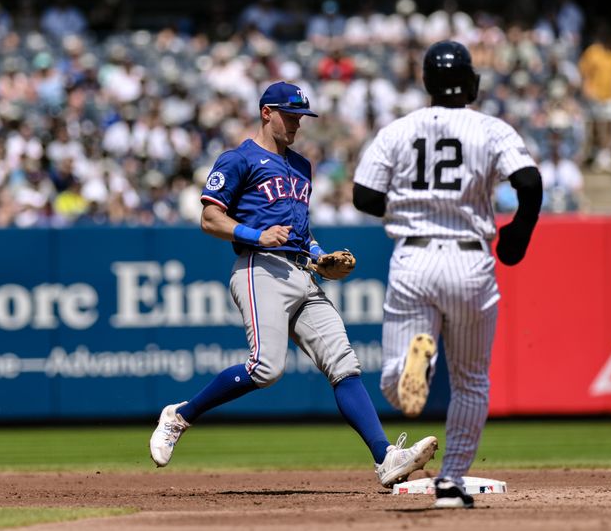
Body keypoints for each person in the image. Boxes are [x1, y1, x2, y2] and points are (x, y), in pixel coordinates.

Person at [149, 81, 438, 488]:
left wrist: (319, 256)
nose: (296, 124)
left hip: (301, 270)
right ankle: (179, 417)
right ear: (266, 112)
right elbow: (209, 219)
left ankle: (385, 457)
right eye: (289, 115)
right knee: (266, 368)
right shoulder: (238, 159)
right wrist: (255, 234)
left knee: (344, 364)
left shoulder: (302, 166)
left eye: (300, 117)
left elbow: (302, 229)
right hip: (259, 266)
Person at [352, 41, 542, 508]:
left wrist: (410, 201)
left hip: (414, 258)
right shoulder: (491, 129)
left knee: (395, 387)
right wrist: (518, 231)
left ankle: (412, 366)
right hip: (469, 259)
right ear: (473, 82)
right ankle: (452, 481)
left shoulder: (399, 129)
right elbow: (530, 183)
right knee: (472, 381)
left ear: (425, 83)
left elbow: (364, 195)